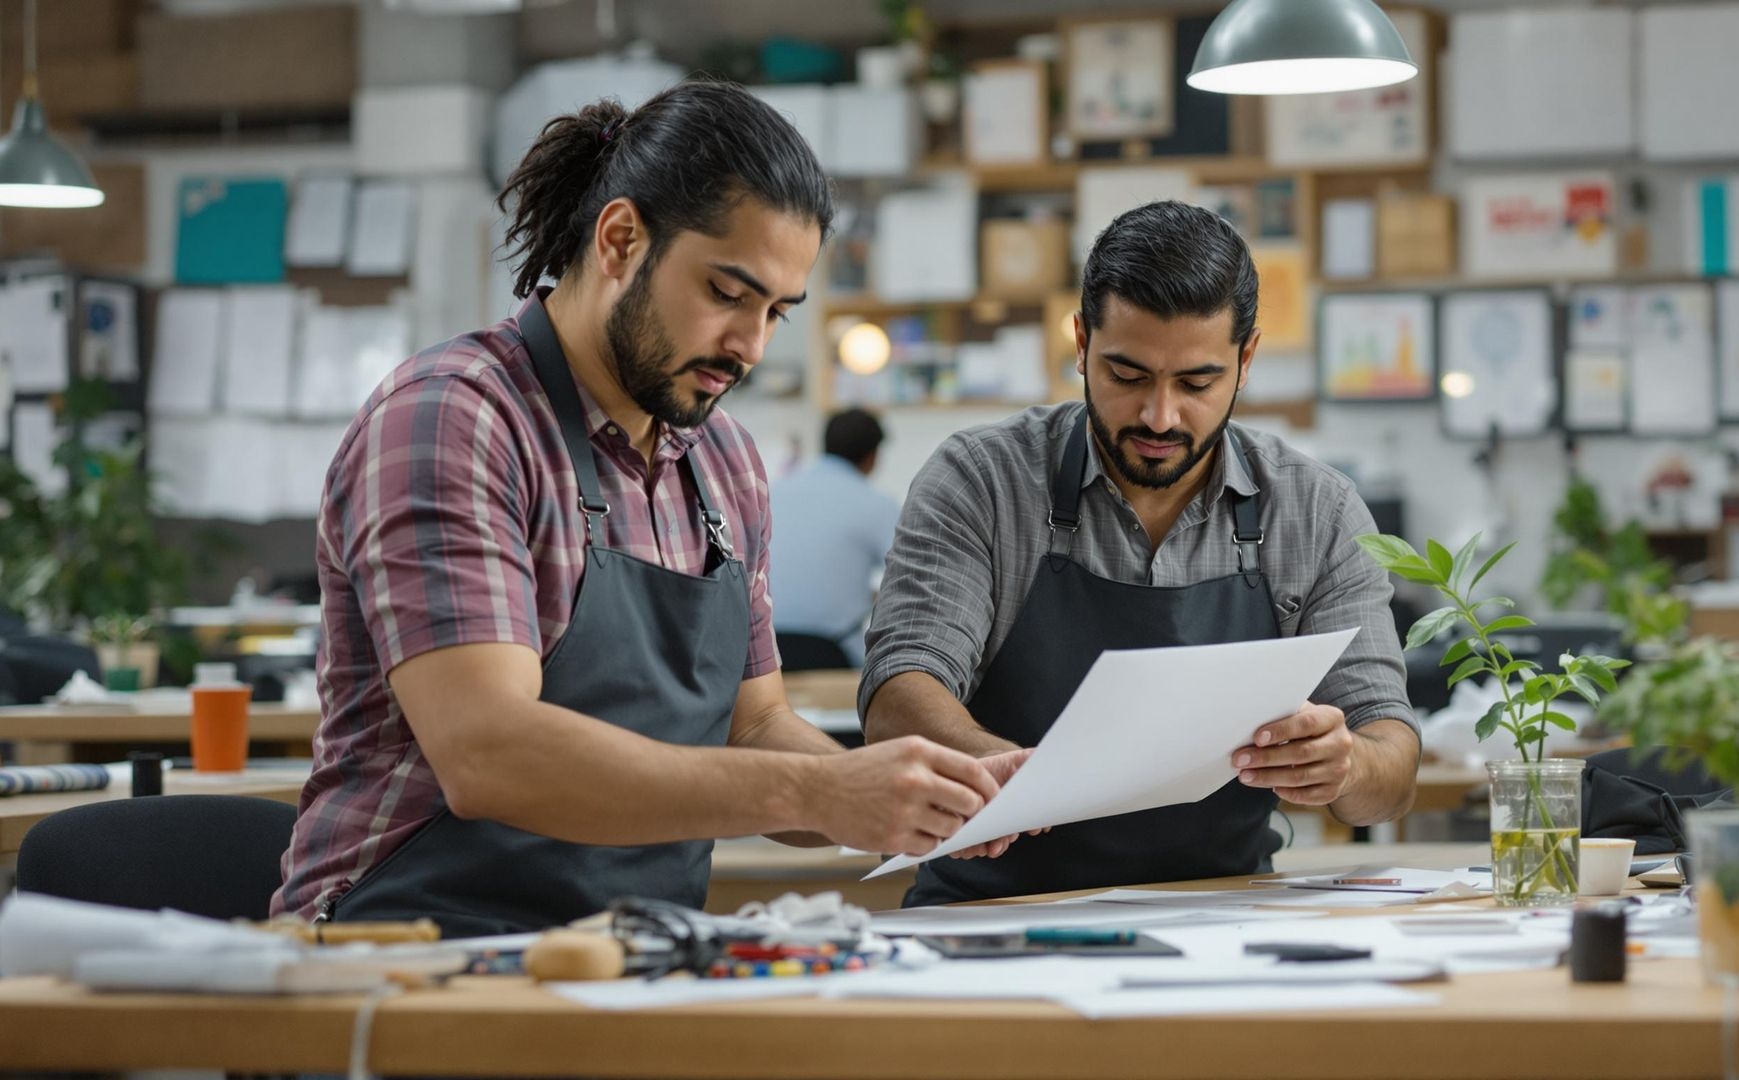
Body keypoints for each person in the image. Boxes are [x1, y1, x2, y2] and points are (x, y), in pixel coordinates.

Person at [273, 82, 1024, 937]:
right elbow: (489, 752)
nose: (752, 346)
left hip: (640, 951)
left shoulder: (725, 463)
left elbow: (756, 728)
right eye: (727, 293)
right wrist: (822, 791)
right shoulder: (454, 418)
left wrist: (918, 797)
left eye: (777, 311)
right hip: (408, 951)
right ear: (622, 239)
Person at [861, 200, 1420, 906]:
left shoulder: (1317, 511)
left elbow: (1391, 769)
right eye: (1127, 376)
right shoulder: (982, 481)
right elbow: (899, 691)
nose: (1160, 416)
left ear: (1245, 360)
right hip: (992, 912)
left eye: (1196, 383)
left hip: (1226, 917)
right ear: (1081, 342)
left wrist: (1345, 767)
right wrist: (1006, 775)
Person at [768, 408, 901, 667]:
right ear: (873, 456)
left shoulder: (774, 491)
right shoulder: (877, 505)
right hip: (832, 654)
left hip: (763, 650)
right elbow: (911, 578)